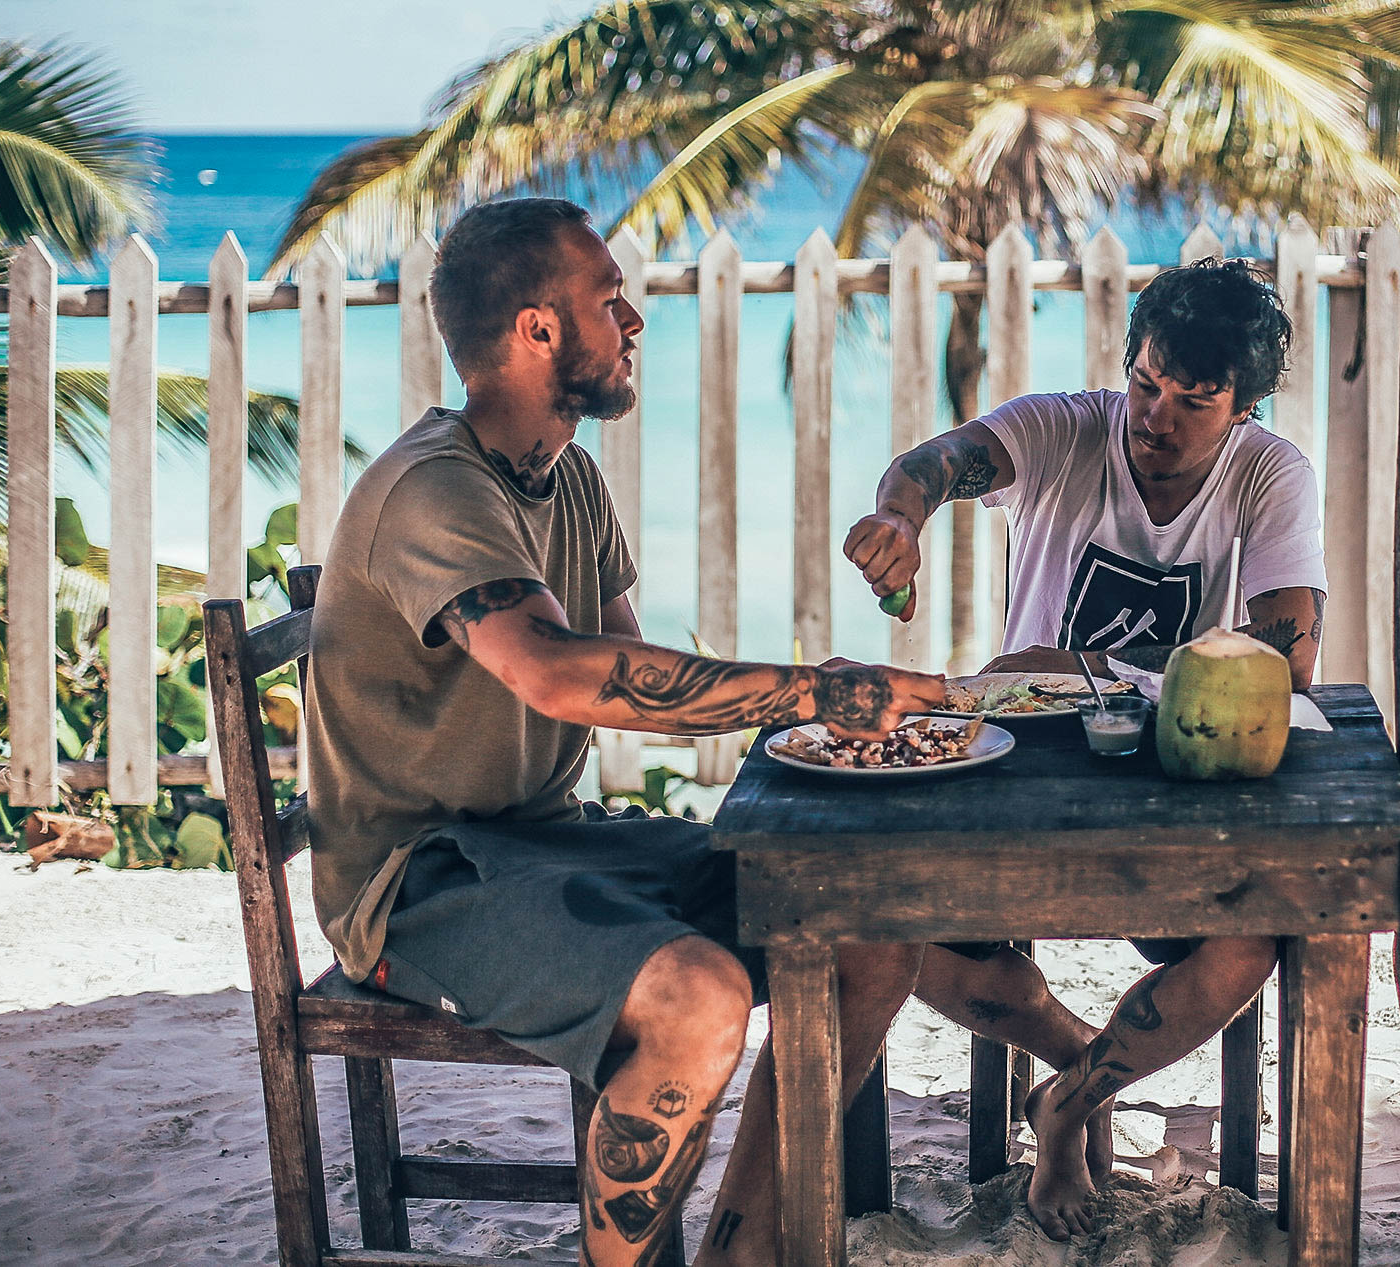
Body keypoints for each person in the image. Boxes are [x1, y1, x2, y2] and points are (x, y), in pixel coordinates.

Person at [304, 197, 943, 1266]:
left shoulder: (569, 478)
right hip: (414, 884)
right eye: (609, 301)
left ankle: (741, 1244)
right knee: (700, 995)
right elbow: (558, 676)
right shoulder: (433, 489)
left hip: (544, 838)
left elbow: (625, 670)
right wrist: (813, 694)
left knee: (863, 924)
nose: (634, 319)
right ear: (536, 332)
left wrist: (815, 723)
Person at [842, 256, 1326, 1240]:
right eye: (1146, 384)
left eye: (1193, 400)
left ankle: (1066, 1101)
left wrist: (1080, 661)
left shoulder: (1271, 472)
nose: (1156, 418)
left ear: (1243, 407)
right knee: (879, 921)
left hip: (1169, 783)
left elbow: (1289, 662)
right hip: (1012, 774)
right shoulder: (1061, 428)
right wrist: (900, 514)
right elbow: (938, 460)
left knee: (1256, 935)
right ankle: (1077, 1059)